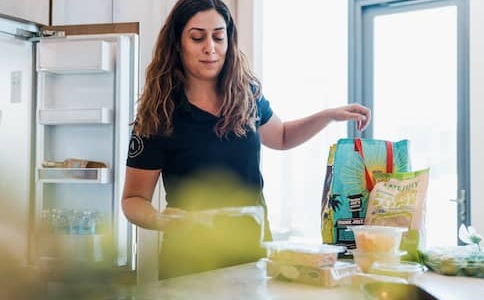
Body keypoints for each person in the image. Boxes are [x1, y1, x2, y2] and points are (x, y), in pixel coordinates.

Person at [121, 0, 371, 280]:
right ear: (177, 43)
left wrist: (328, 116)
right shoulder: (159, 113)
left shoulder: (246, 94)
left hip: (251, 256)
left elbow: (282, 136)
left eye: (218, 36)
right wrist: (161, 220)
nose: (210, 48)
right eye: (197, 37)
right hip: (189, 261)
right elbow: (133, 199)